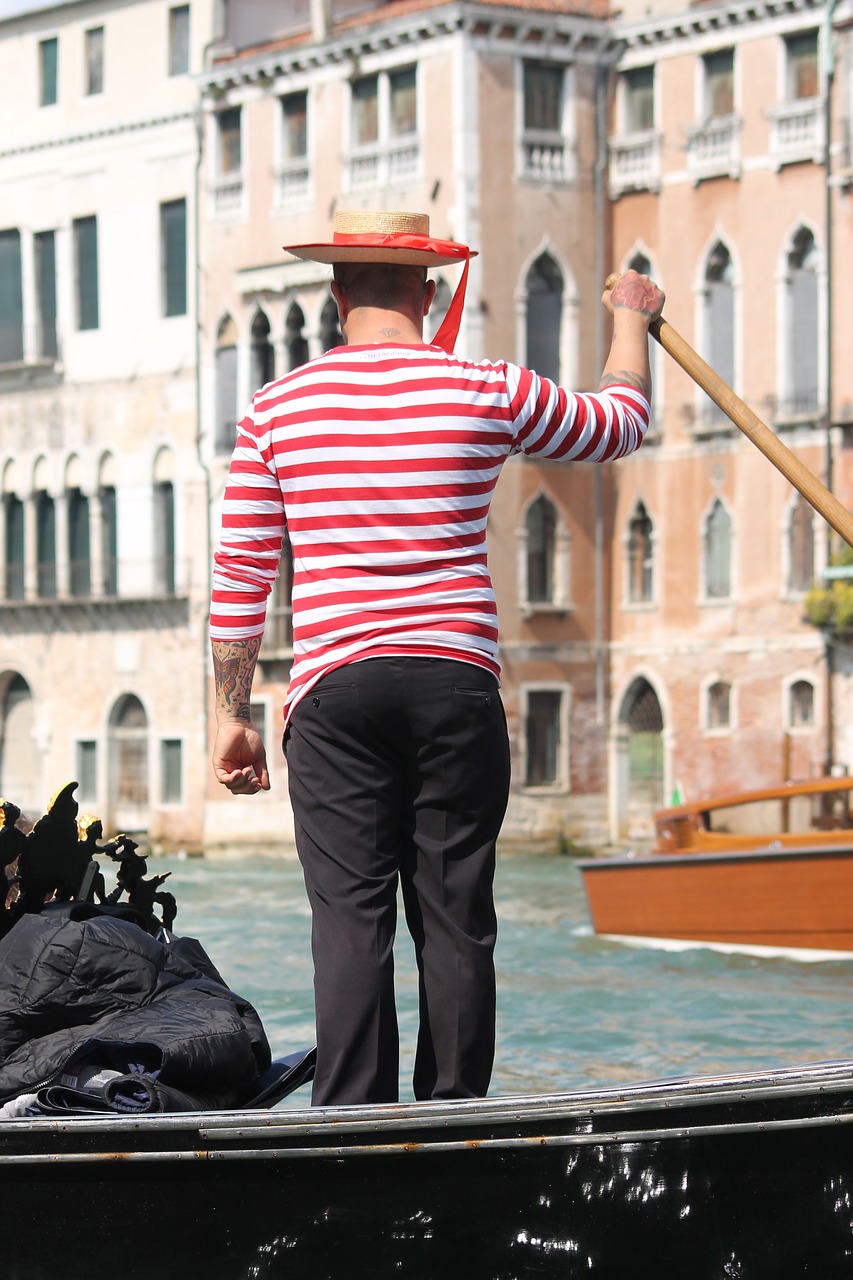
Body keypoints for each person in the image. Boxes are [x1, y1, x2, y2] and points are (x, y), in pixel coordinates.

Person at [210, 209, 664, 1107]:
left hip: (334, 693)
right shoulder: (485, 388)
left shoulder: (275, 411)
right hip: (455, 684)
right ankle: (456, 1121)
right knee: (455, 921)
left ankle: (350, 1128)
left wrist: (232, 715)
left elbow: (242, 572)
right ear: (427, 293)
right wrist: (629, 321)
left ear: (336, 295)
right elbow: (618, 425)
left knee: (349, 923)